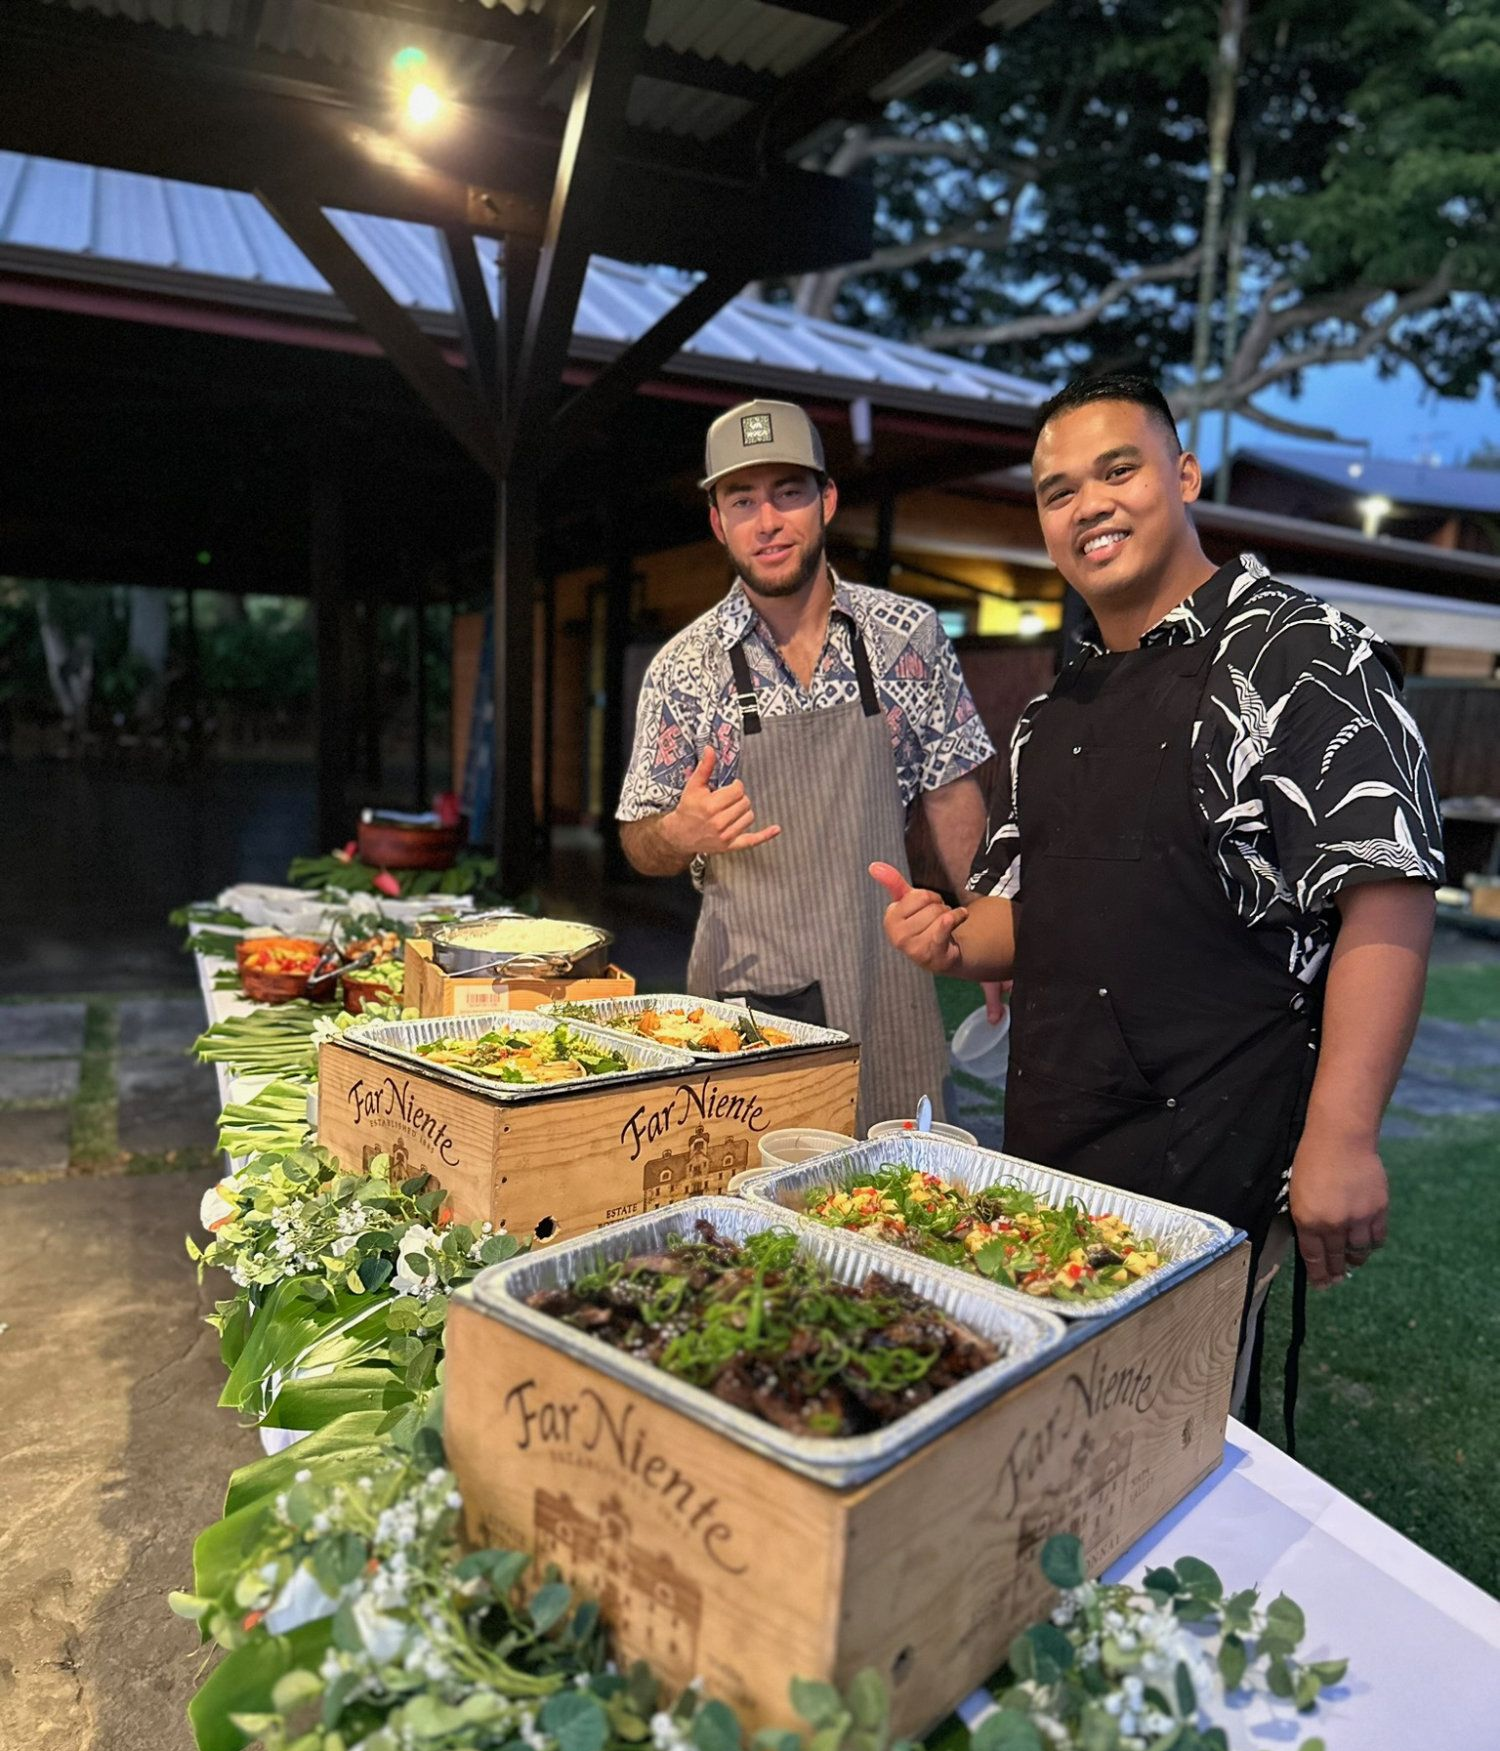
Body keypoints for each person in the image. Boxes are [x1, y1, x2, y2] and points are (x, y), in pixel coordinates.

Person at [872, 370, 1443, 1428]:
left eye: (1118, 469)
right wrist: (954, 939)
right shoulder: (1055, 706)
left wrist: (1344, 1135)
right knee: (1048, 1432)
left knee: (1167, 1440)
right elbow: (1042, 912)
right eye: (1056, 490)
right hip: (1054, 1140)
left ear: (1183, 475)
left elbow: (1388, 893)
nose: (1088, 503)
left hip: (1219, 1142)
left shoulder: (1302, 652)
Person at [617, 398, 999, 1132]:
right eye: (743, 499)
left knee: (904, 1204)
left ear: (826, 500)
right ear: (717, 521)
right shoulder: (683, 669)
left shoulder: (905, 636)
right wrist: (679, 831)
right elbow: (640, 839)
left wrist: (988, 925)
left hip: (887, 975)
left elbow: (953, 795)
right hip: (748, 1001)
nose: (768, 522)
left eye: (788, 493)